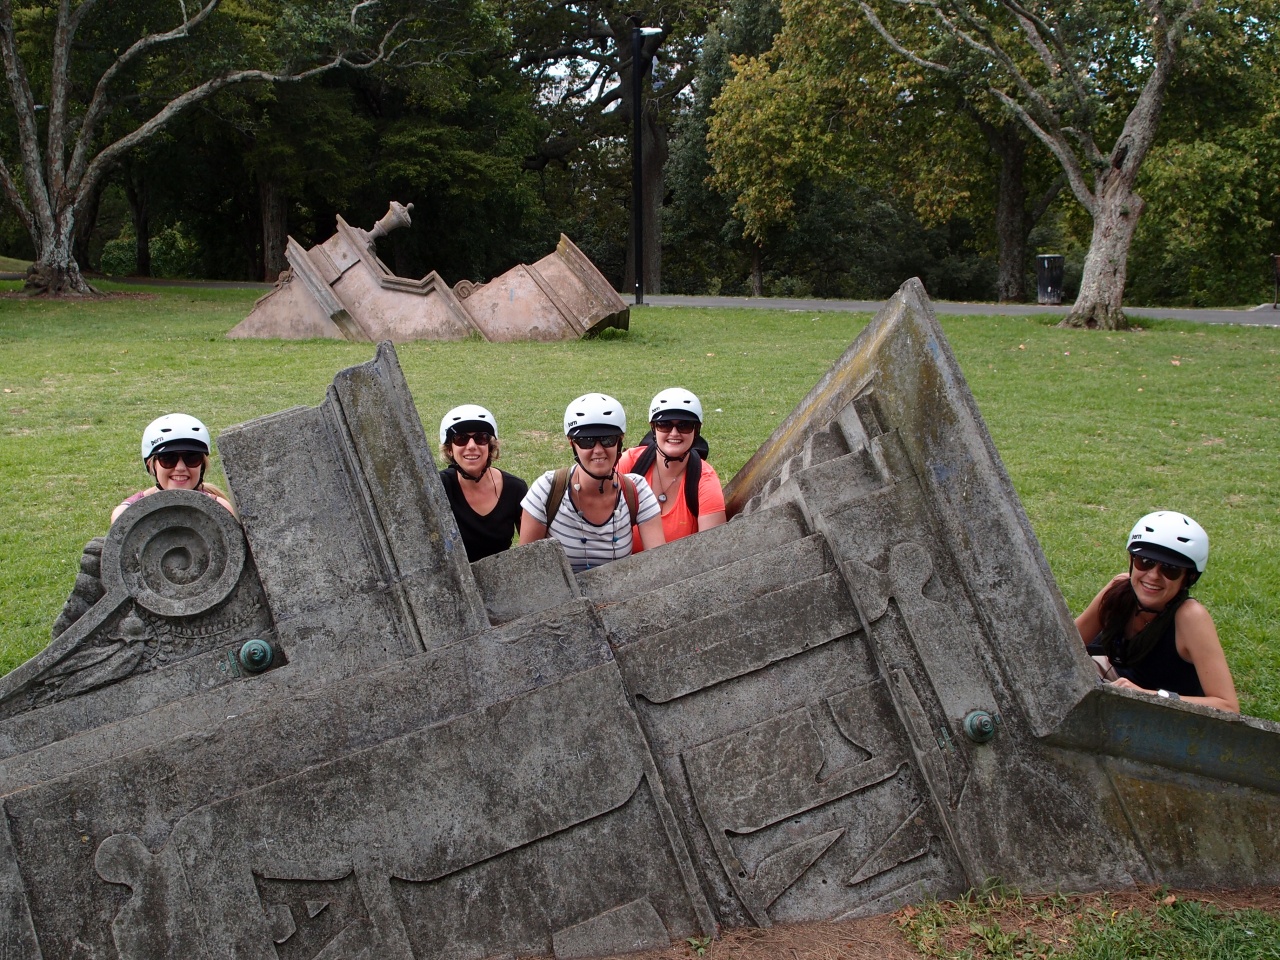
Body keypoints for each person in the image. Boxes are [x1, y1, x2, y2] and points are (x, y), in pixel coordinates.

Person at [1074, 511, 1239, 713]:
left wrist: (1147, 696)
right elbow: (1065, 644)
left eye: (1170, 569)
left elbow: (1228, 706)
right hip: (1112, 678)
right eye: (1145, 561)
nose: (1153, 576)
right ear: (1131, 560)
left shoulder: (1190, 617)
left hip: (1164, 714)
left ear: (1188, 577)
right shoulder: (1119, 590)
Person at [519, 393, 664, 572]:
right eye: (586, 441)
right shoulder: (547, 490)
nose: (598, 450)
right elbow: (526, 570)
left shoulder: (637, 491)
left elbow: (659, 564)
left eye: (607, 440)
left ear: (620, 441)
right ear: (571, 443)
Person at [617, 387, 726, 551]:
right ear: (653, 427)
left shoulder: (704, 480)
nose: (674, 433)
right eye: (664, 424)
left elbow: (712, 551)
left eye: (684, 425)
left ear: (697, 430)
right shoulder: (629, 464)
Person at [438, 404, 528, 562]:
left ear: (490, 446)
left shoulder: (515, 488)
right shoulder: (439, 487)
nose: (471, 446)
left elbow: (531, 547)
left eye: (481, 438)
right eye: (461, 439)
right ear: (449, 449)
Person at [111, 414, 235, 524]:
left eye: (192, 458)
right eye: (168, 458)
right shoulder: (126, 515)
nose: (180, 467)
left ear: (202, 465)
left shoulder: (221, 509)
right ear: (151, 465)